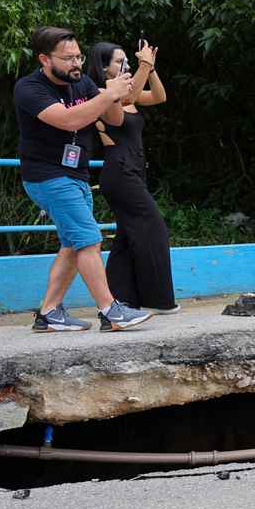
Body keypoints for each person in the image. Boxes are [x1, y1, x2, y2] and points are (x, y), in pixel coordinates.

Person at [13, 26, 150, 332]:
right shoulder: (29, 89)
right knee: (89, 239)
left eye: (78, 56)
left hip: (76, 174)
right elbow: (69, 120)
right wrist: (109, 94)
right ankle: (110, 310)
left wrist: (114, 93)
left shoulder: (83, 82)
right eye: (67, 58)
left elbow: (114, 119)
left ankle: (49, 312)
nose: (76, 63)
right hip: (47, 176)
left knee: (73, 245)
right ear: (44, 60)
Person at [86, 39, 176, 314]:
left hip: (136, 170)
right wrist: (143, 66)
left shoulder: (130, 93)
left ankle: (122, 299)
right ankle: (157, 301)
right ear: (103, 68)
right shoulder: (101, 94)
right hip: (120, 171)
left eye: (128, 59)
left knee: (127, 237)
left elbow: (159, 97)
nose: (125, 64)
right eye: (119, 61)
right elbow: (124, 99)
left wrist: (150, 69)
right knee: (154, 228)